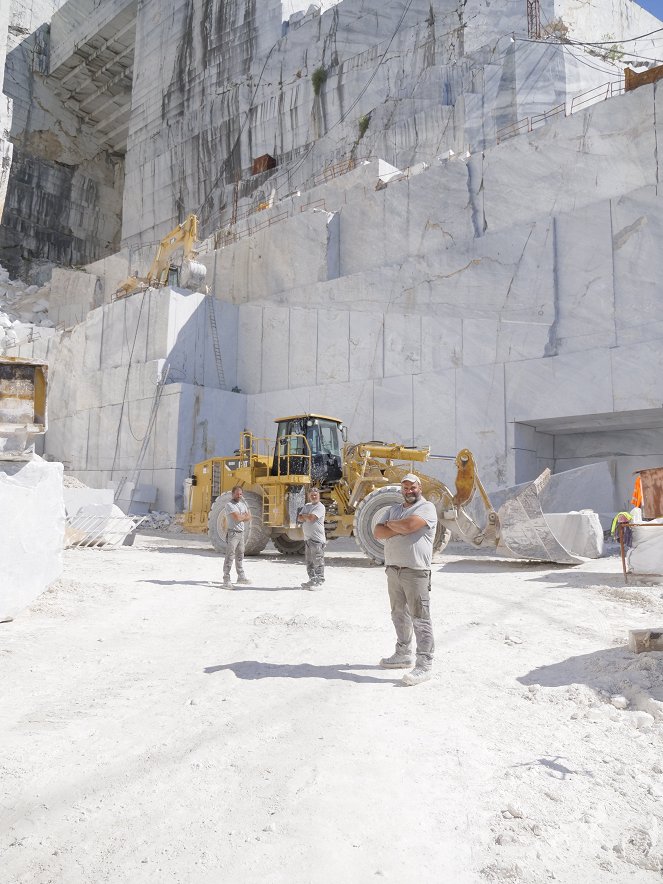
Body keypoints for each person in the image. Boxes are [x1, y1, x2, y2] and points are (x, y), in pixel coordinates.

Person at [373, 473, 437, 686]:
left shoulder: (426, 508)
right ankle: (403, 653)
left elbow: (410, 526)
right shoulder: (394, 510)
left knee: (420, 618)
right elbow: (378, 532)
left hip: (416, 571)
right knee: (398, 614)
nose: (409, 491)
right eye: (405, 488)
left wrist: (394, 526)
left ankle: (424, 665)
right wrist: (397, 526)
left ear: (420, 487)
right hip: (393, 570)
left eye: (412, 487)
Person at [297, 487, 326, 589]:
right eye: (312, 495)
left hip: (317, 540)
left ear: (319, 495)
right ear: (309, 496)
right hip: (308, 540)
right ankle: (312, 580)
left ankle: (319, 581)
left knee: (318, 561)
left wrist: (305, 516)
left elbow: (311, 518)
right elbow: (299, 518)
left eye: (315, 495)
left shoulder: (320, 507)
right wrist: (306, 516)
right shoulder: (307, 506)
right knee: (309, 562)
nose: (314, 497)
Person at [223, 485, 252, 587]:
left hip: (241, 533)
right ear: (233, 494)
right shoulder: (229, 505)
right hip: (233, 533)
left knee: (240, 555)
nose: (239, 495)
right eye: (237, 494)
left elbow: (249, 517)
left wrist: (242, 516)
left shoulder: (243, 504)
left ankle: (241, 577)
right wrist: (243, 516)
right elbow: (237, 518)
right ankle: (226, 579)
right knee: (230, 556)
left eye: (240, 494)